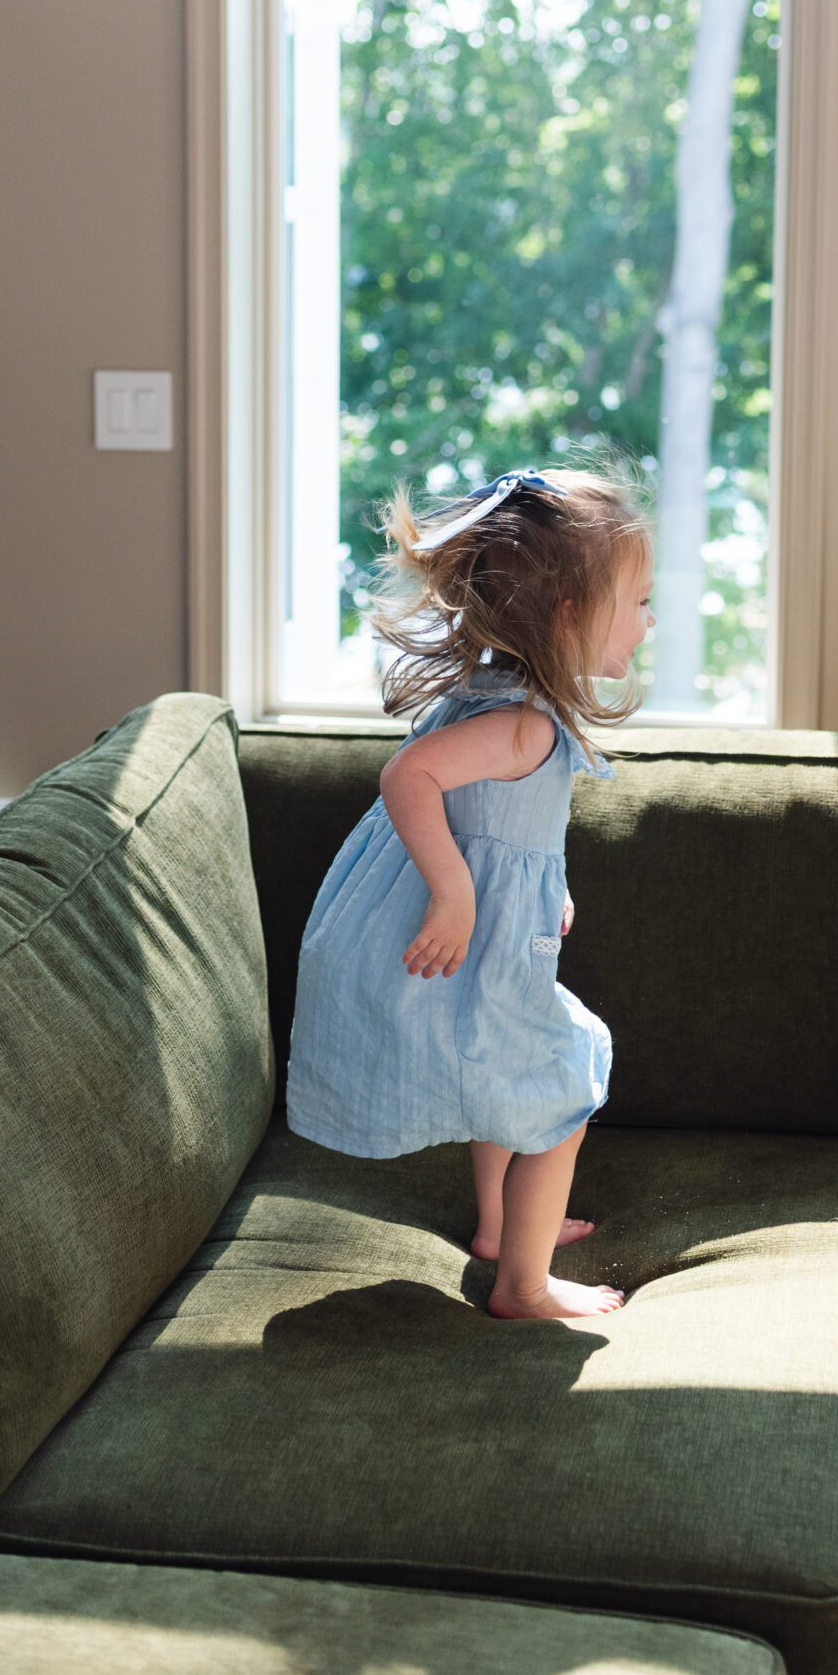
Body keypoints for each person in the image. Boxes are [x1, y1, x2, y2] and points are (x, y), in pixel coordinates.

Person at [286, 465, 654, 1320]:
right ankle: (523, 1285)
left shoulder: (504, 703)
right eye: (638, 602)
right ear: (569, 614)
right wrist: (454, 894)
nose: (648, 621)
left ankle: (499, 1226)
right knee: (560, 1093)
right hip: (472, 944)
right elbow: (408, 776)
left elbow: (494, 825)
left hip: (503, 943)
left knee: (506, 1078)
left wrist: (544, 889)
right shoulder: (520, 724)